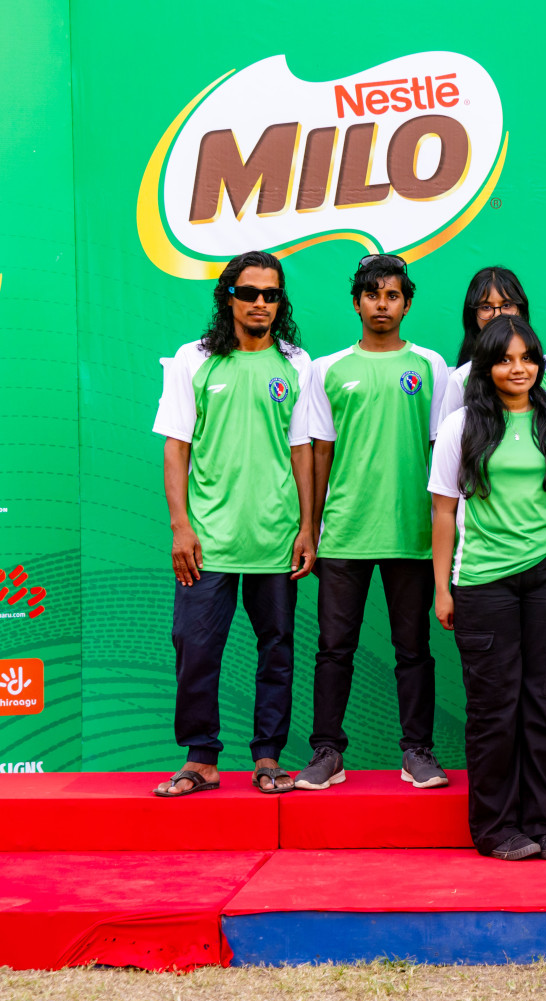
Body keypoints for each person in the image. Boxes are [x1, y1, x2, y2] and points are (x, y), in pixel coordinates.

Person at [151, 251, 315, 797]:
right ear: (228, 297)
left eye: (272, 295)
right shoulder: (192, 360)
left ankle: (268, 756)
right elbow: (176, 448)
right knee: (194, 646)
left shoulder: (297, 363)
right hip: (208, 540)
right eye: (251, 293)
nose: (262, 304)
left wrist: (307, 528)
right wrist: (181, 526)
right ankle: (200, 759)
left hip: (275, 537)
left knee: (277, 650)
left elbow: (302, 452)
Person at [293, 254, 449, 791]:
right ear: (356, 302)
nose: (382, 305)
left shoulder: (431, 365)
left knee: (414, 651)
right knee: (334, 648)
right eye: (372, 295)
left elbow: (441, 450)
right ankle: (327, 752)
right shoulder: (327, 369)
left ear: (406, 302)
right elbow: (318, 454)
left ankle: (417, 752)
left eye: (392, 296)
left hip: (412, 533)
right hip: (344, 533)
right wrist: (308, 528)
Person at [428, 316, 546, 861]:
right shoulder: (461, 426)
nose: (518, 369)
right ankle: (495, 829)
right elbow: (443, 512)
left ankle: (545, 824)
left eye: (527, 358)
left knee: (543, 704)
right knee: (495, 708)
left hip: (545, 579)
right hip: (482, 582)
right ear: (486, 366)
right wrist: (443, 589)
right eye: (505, 359)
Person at [439, 266, 534, 419]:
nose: (497, 315)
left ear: (521, 310)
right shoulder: (460, 379)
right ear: (472, 315)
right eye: (486, 307)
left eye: (507, 305)